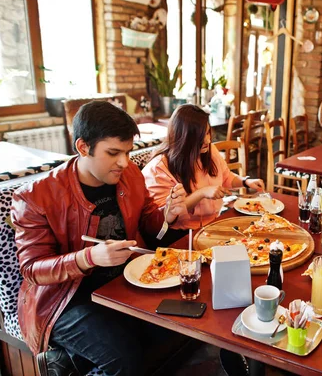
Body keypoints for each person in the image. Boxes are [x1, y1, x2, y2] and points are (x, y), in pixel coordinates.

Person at [12, 101, 189, 376]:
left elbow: (150, 225)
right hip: (65, 300)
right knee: (125, 361)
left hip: (120, 285)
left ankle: (74, 360)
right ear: (83, 147)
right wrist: (88, 257)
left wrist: (168, 215)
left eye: (128, 152)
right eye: (113, 153)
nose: (124, 162)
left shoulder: (129, 175)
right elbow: (32, 269)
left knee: (181, 326)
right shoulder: (36, 196)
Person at [142, 104, 265, 233]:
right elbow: (166, 214)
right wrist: (202, 193)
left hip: (212, 223)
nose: (207, 140)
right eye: (200, 137)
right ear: (184, 137)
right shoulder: (158, 169)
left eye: (207, 132)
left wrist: (246, 182)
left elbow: (226, 176)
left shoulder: (209, 151)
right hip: (180, 233)